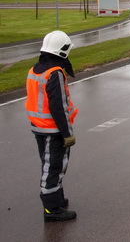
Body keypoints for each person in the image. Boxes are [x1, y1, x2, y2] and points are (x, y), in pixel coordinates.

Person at [25, 30, 78, 222]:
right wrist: (67, 133)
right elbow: (59, 107)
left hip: (39, 127)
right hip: (53, 130)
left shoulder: (36, 69)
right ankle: (51, 209)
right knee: (53, 167)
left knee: (50, 164)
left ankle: (57, 199)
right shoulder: (54, 73)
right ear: (62, 50)